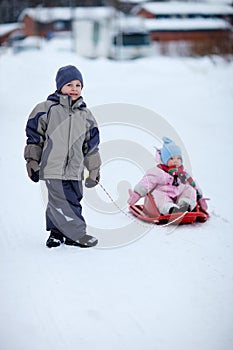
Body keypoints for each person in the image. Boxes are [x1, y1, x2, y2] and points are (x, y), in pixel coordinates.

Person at [24, 65, 101, 248]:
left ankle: (57, 233)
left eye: (78, 85)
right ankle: (75, 235)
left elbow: (91, 147)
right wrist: (32, 162)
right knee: (59, 200)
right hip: (52, 166)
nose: (74, 89)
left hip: (75, 169)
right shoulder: (46, 109)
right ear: (59, 86)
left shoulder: (86, 115)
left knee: (73, 199)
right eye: (69, 84)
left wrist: (94, 170)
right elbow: (34, 139)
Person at [128, 137, 202, 214]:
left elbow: (191, 181)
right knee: (158, 195)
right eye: (172, 158)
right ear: (164, 160)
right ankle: (170, 209)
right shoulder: (158, 172)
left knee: (189, 188)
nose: (176, 161)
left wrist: (197, 190)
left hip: (179, 196)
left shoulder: (183, 172)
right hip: (164, 194)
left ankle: (185, 205)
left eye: (178, 158)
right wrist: (137, 194)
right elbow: (147, 182)